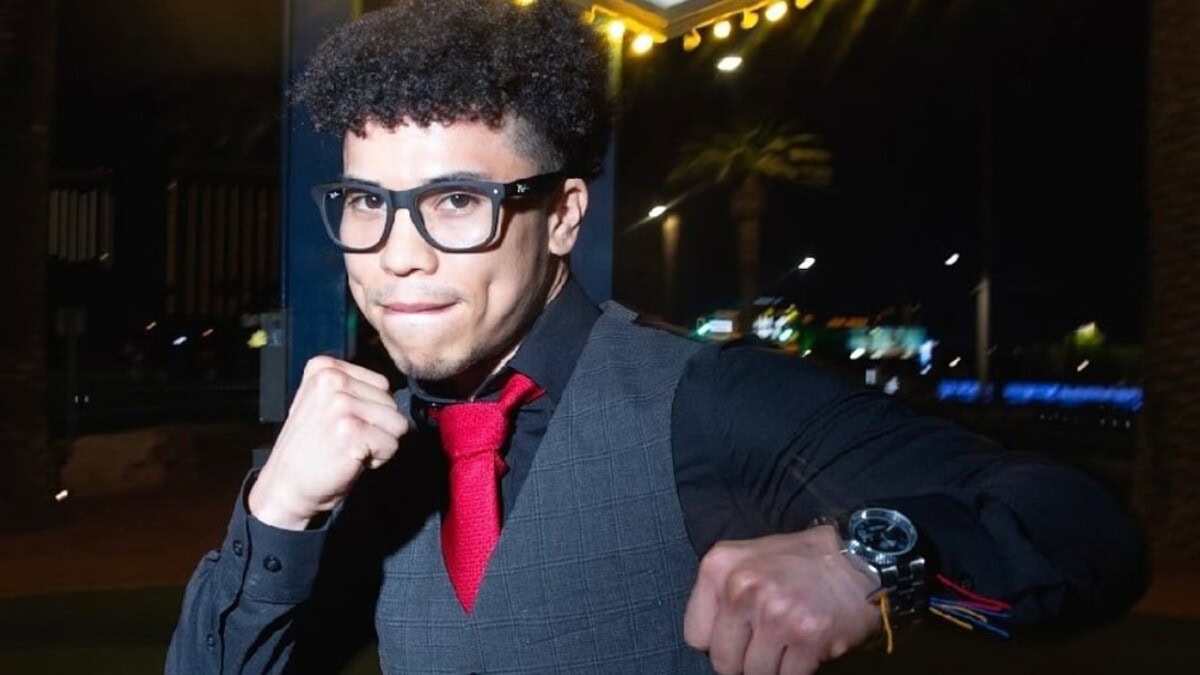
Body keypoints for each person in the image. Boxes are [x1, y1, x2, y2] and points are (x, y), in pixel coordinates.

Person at [166, 1, 1147, 673]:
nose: (397, 256)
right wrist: (279, 511)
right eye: (367, 204)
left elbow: (1081, 528)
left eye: (456, 201)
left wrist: (868, 551)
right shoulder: (373, 455)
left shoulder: (706, 401)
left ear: (562, 216)